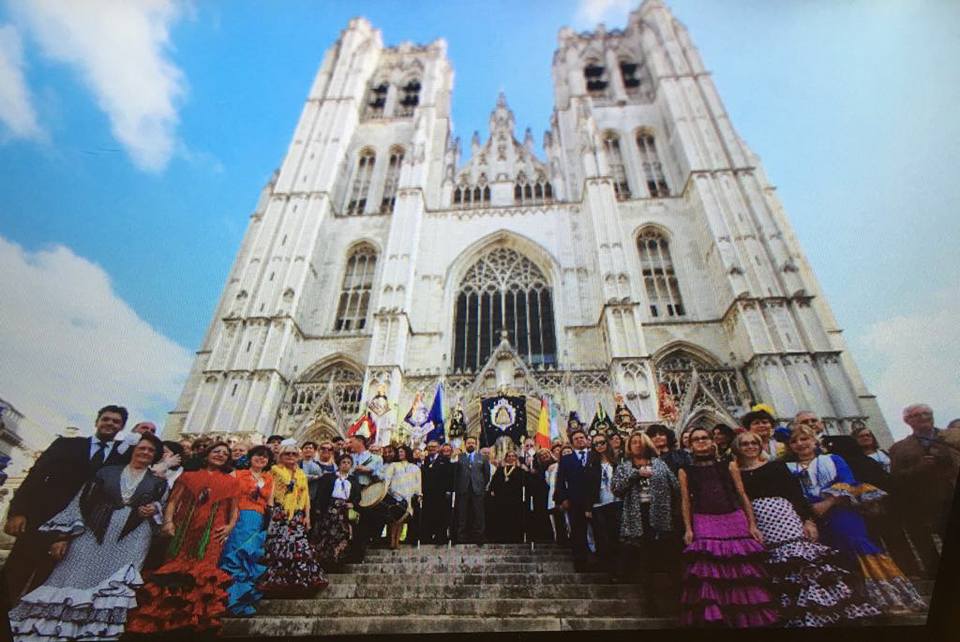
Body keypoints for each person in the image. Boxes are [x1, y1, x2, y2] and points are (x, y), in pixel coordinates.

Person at [8, 434, 167, 641]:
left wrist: (154, 509)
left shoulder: (159, 483)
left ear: (155, 456)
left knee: (111, 589)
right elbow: (80, 503)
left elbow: (162, 515)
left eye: (150, 450)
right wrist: (63, 536)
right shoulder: (106, 472)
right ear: (133, 450)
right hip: (91, 535)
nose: (145, 452)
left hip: (130, 541)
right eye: (141, 448)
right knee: (71, 578)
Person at [732, 432, 879, 626]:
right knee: (779, 566)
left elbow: (795, 494)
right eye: (745, 444)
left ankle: (824, 610)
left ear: (760, 446)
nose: (750, 447)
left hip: (785, 516)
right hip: (760, 521)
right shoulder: (736, 472)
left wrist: (808, 521)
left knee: (801, 562)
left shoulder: (776, 466)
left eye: (754, 443)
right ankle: (797, 615)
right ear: (737, 448)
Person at [786, 425, 925, 614]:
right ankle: (853, 604)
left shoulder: (832, 459)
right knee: (832, 555)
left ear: (814, 440)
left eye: (804, 439)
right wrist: (808, 515)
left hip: (841, 511)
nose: (800, 444)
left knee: (857, 546)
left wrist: (828, 502)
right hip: (814, 518)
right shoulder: (789, 468)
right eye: (794, 441)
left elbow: (848, 481)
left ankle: (889, 600)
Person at [3, 405, 129, 603]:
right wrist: (18, 512)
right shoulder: (67, 444)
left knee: (45, 587)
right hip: (40, 520)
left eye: (116, 421)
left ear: (121, 427)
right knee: (14, 576)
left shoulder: (121, 457)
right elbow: (36, 476)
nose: (110, 424)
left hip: (77, 531)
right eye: (106, 419)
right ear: (97, 421)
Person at [127, 442, 241, 634]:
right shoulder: (188, 476)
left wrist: (229, 527)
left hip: (212, 531)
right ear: (206, 455)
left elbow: (234, 508)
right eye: (216, 451)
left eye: (224, 453)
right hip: (185, 528)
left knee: (204, 570)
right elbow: (173, 501)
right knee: (176, 566)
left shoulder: (232, 481)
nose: (220, 455)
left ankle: (196, 620)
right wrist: (168, 522)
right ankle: (167, 617)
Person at [678, 427, 778, 628]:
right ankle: (718, 618)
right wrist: (688, 528)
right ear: (690, 445)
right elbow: (685, 500)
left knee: (740, 570)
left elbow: (741, 494)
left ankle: (746, 619)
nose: (701, 442)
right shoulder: (685, 470)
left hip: (733, 517)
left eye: (705, 438)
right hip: (704, 519)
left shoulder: (729, 465)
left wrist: (752, 524)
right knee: (709, 571)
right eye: (696, 439)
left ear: (712, 441)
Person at [889, 403, 960, 579]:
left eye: (927, 413)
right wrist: (919, 468)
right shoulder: (900, 448)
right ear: (907, 421)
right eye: (917, 415)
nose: (924, 417)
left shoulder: (953, 436)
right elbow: (897, 477)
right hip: (928, 503)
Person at [612, 432, 679, 615]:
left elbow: (674, 486)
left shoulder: (659, 464)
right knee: (644, 556)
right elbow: (616, 489)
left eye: (640, 442)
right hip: (637, 514)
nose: (637, 445)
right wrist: (636, 474)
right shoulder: (624, 466)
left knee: (664, 554)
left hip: (659, 513)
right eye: (634, 442)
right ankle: (649, 601)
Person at [259, 440, 327, 595]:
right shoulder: (274, 471)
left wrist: (307, 516)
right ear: (281, 456)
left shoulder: (301, 474)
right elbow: (271, 493)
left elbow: (306, 497)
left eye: (294, 454)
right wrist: (271, 512)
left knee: (298, 547)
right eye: (287, 454)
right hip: (280, 512)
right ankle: (277, 583)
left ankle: (298, 582)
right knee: (279, 546)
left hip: (297, 514)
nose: (291, 456)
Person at [219, 445, 274, 616]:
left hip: (258, 520)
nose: (261, 459)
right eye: (258, 455)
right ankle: (227, 599)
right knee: (234, 554)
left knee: (250, 557)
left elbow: (270, 504)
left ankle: (243, 599)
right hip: (238, 517)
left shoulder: (269, 478)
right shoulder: (237, 474)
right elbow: (223, 493)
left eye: (265, 457)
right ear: (250, 457)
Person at [553, 429, 594, 572]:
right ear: (572, 443)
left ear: (587, 439)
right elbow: (560, 480)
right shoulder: (567, 459)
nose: (580, 440)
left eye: (582, 437)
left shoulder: (594, 456)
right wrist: (563, 498)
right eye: (576, 439)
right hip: (574, 501)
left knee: (597, 530)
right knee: (577, 531)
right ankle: (580, 561)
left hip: (595, 500)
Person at [314, 454, 361, 569]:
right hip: (330, 509)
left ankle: (339, 561)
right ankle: (325, 562)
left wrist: (353, 504)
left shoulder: (353, 480)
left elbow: (357, 495)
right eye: (343, 462)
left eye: (348, 463)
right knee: (328, 534)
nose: (346, 465)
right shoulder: (329, 477)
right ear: (339, 464)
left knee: (343, 534)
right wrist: (319, 508)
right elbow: (321, 493)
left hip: (344, 510)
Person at [346, 434, 384, 562]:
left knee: (363, 523)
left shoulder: (376, 458)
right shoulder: (349, 458)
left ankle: (359, 553)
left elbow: (381, 477)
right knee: (350, 522)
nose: (349, 444)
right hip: (350, 491)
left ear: (360, 442)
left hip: (366, 491)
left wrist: (369, 470)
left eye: (352, 442)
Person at [588, 432, 621, 574]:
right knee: (602, 536)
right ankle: (606, 567)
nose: (599, 446)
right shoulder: (591, 465)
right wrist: (588, 507)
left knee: (616, 535)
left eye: (602, 442)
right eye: (596, 444)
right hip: (599, 504)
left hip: (616, 502)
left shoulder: (616, 463)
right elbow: (587, 487)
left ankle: (618, 568)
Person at [383, 445, 421, 549]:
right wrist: (386, 492)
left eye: (402, 452)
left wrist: (419, 494)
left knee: (402, 519)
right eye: (399, 452)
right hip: (395, 495)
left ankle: (397, 541)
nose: (400, 454)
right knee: (394, 519)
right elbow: (387, 480)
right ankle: (392, 541)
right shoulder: (393, 465)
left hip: (408, 497)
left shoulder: (415, 467)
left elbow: (418, 482)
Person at [453, 436, 489, 546]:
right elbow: (455, 473)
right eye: (469, 443)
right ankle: (461, 536)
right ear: (465, 444)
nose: (471, 445)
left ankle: (479, 536)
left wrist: (481, 485)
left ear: (476, 444)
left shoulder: (482, 458)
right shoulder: (459, 457)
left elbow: (486, 474)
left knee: (478, 514)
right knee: (462, 514)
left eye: (473, 443)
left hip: (477, 490)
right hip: (463, 489)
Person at [421, 440, 454, 545]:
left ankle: (440, 537)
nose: (432, 449)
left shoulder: (444, 460)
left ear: (439, 448)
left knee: (441, 515)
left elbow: (449, 476)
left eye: (434, 447)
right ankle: (427, 537)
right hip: (427, 493)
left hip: (441, 493)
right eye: (430, 447)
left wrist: (449, 490)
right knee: (427, 515)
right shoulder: (424, 460)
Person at [488, 451, 525, 543]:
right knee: (501, 518)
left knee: (514, 518)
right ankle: (501, 537)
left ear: (516, 458)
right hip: (501, 498)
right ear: (506, 458)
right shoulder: (500, 469)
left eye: (513, 456)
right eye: (509, 456)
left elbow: (524, 483)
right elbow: (493, 482)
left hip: (514, 498)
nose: (511, 458)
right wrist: (492, 490)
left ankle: (514, 537)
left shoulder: (520, 470)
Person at [525, 449, 556, 543]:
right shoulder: (538, 467)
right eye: (541, 455)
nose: (544, 456)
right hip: (542, 496)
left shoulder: (556, 464)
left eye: (546, 453)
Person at [300, 441, 323, 517]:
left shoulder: (317, 465)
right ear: (302, 450)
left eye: (310, 448)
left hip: (312, 497)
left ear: (314, 451)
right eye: (306, 448)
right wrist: (315, 477)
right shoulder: (297, 463)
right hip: (299, 495)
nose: (308, 450)